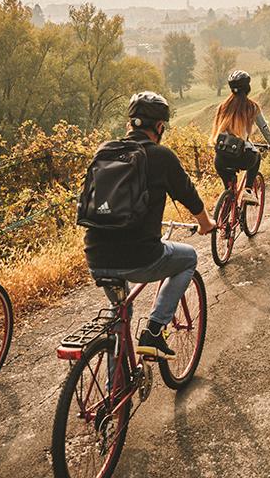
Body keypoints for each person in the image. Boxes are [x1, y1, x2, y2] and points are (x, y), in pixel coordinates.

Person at [84, 91, 214, 359]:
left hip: (96, 256)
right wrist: (205, 222)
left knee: (119, 316)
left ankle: (115, 391)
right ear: (159, 127)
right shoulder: (161, 156)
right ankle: (154, 331)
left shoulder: (105, 151)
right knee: (188, 257)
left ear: (130, 123)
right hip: (140, 257)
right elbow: (188, 194)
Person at [211, 70, 270, 207]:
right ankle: (247, 190)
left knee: (228, 189)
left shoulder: (222, 107)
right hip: (242, 156)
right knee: (257, 156)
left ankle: (226, 211)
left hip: (220, 158)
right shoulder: (252, 107)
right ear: (248, 88)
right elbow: (264, 128)